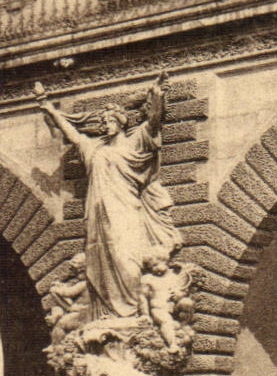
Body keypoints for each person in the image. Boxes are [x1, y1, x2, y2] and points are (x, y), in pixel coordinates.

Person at [35, 72, 183, 321]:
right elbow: (71, 133)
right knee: (99, 264)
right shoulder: (93, 149)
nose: (104, 125)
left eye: (109, 121)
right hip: (96, 217)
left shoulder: (136, 142)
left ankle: (136, 313)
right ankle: (106, 315)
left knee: (127, 259)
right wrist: (49, 107)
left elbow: (154, 122)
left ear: (120, 122)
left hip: (125, 212)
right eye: (102, 122)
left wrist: (157, 95)